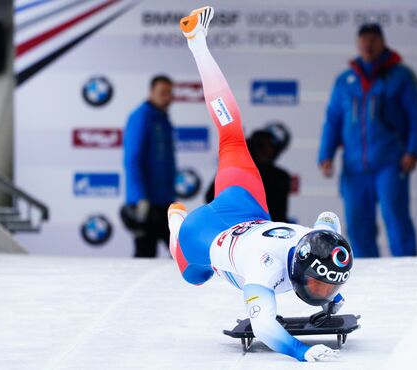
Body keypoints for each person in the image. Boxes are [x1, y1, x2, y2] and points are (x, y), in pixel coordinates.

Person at [169, 6, 352, 362]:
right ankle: (175, 220)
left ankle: (198, 42)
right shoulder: (262, 270)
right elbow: (265, 328)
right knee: (193, 277)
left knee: (231, 138)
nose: (323, 290)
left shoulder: (316, 240)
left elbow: (328, 221)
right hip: (202, 232)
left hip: (245, 205)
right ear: (298, 271)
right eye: (320, 284)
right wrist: (300, 352)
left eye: (327, 284)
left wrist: (334, 293)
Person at [318, 23, 417, 257]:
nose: (368, 44)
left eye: (373, 39)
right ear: (358, 44)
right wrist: (325, 155)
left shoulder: (402, 76)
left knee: (396, 218)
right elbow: (333, 120)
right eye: (364, 39)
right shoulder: (345, 80)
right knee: (358, 225)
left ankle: (409, 269)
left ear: (382, 42)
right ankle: (366, 274)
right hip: (354, 167)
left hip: (390, 162)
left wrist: (413, 151)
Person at [123, 75, 177, 258]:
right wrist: (139, 198)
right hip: (146, 204)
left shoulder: (164, 120)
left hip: (164, 201)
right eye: (163, 93)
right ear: (151, 93)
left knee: (178, 253)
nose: (167, 97)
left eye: (170, 93)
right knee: (145, 253)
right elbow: (132, 159)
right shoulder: (141, 117)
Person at [205, 123, 292, 222]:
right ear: (252, 148)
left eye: (270, 147)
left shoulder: (280, 177)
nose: (265, 152)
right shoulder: (235, 171)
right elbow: (211, 198)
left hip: (267, 228)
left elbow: (278, 213)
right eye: (261, 147)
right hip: (234, 225)